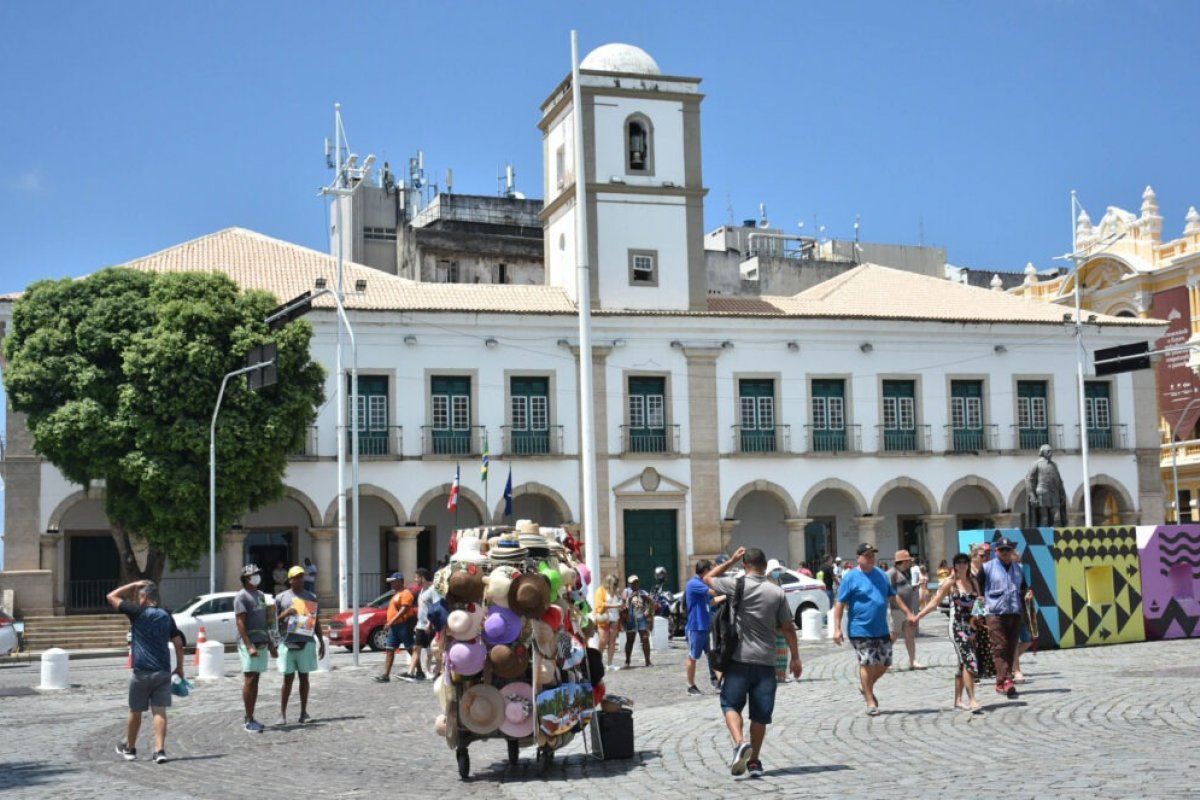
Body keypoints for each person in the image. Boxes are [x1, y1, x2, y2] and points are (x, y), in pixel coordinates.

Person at [704, 547, 801, 779]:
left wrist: (731, 560)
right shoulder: (776, 592)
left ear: (745, 565)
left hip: (738, 659)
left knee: (729, 704)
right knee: (760, 716)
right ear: (765, 565)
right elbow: (788, 627)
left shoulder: (736, 585)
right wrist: (795, 658)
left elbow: (707, 578)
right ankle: (755, 761)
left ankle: (740, 743)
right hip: (766, 662)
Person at [832, 543, 918, 716]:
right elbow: (840, 603)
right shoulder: (851, 577)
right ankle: (871, 702)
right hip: (860, 628)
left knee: (885, 663)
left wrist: (909, 613)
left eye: (873, 555)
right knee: (867, 662)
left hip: (880, 627)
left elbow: (893, 596)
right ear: (858, 558)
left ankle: (866, 686)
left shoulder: (880, 574)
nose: (871, 558)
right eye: (867, 555)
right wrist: (837, 629)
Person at [107, 580, 185, 764]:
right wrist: (180, 667)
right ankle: (159, 751)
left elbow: (111, 596)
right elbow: (178, 644)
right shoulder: (167, 616)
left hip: (142, 672)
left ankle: (131, 749)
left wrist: (134, 584)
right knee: (159, 711)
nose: (136, 599)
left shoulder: (137, 612)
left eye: (138, 596)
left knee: (135, 710)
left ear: (145, 597)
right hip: (163, 671)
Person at [914, 553, 984, 713]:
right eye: (958, 562)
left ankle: (957, 700)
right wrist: (919, 616)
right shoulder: (950, 584)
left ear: (968, 564)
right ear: (954, 565)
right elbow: (934, 602)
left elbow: (980, 601)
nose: (962, 565)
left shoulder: (973, 582)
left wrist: (977, 616)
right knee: (969, 660)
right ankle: (972, 699)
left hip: (971, 627)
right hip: (957, 627)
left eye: (964, 562)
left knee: (962, 662)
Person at [981, 537, 1033, 699]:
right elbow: (978, 588)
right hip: (995, 613)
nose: (1005, 553)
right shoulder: (987, 568)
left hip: (1014, 612)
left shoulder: (1018, 568)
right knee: (1000, 646)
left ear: (1012, 551)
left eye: (1007, 550)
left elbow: (1023, 587)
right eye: (1001, 550)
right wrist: (980, 606)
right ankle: (1007, 680)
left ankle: (1000, 682)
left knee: (1011, 647)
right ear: (996, 551)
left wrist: (1028, 592)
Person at [276, 565, 325, 724]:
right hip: (287, 641)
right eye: (296, 577)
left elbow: (316, 621)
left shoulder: (311, 597)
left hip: (306, 641)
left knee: (304, 678)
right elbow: (273, 621)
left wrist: (321, 641)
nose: (300, 579)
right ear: (290, 580)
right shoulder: (281, 598)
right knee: (287, 679)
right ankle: (282, 714)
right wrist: (286, 613)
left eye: (301, 576)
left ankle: (304, 712)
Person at [235, 564, 278, 733]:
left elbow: (268, 621)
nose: (257, 577)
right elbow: (240, 622)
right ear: (246, 578)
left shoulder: (261, 595)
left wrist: (271, 644)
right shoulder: (241, 597)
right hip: (249, 642)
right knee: (250, 678)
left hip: (262, 640)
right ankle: (248, 718)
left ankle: (252, 715)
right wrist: (249, 646)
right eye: (254, 575)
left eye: (258, 574)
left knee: (256, 679)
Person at [887, 550, 926, 670]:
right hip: (896, 610)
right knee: (894, 634)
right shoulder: (891, 573)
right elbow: (890, 592)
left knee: (910, 635)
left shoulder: (906, 572)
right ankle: (885, 660)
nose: (910, 562)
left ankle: (913, 661)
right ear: (902, 561)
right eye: (908, 560)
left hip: (908, 608)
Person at [374, 572, 417, 682]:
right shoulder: (395, 594)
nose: (391, 584)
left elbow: (404, 609)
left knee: (410, 649)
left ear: (399, 582)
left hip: (403, 625)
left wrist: (391, 621)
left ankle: (419, 671)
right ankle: (385, 675)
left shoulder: (406, 593)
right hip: (394, 627)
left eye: (393, 582)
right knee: (389, 650)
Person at [684, 559, 717, 694]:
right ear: (705, 571)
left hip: (705, 626)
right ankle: (691, 686)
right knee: (693, 657)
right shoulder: (694, 583)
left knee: (712, 655)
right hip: (696, 627)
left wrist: (728, 596)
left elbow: (712, 602)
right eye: (710, 570)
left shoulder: (701, 584)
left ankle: (716, 682)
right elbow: (713, 592)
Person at [400, 569, 434, 681]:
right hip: (420, 624)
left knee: (431, 651)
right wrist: (418, 623)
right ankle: (410, 673)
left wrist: (430, 623)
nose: (415, 580)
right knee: (416, 648)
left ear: (423, 578)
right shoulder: (422, 590)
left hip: (430, 625)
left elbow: (434, 608)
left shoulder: (432, 590)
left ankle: (429, 671)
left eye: (416, 577)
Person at [1026, 444, 1067, 526]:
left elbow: (1059, 481)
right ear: (1042, 452)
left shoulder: (1054, 465)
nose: (1050, 453)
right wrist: (1032, 495)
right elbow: (1029, 479)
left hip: (1054, 494)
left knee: (1057, 518)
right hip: (1042, 493)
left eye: (1051, 451)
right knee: (1044, 519)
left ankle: (1056, 537)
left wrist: (1062, 493)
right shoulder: (1036, 464)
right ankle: (1043, 537)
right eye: (1048, 451)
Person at [623, 575, 654, 668]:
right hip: (631, 618)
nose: (635, 584)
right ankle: (627, 660)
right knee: (630, 640)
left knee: (645, 638)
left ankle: (648, 661)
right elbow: (623, 604)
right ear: (629, 584)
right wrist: (629, 597)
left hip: (641, 617)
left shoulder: (643, 592)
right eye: (633, 583)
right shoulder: (626, 592)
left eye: (636, 582)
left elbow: (652, 602)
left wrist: (648, 608)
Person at [595, 574, 624, 670]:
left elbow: (620, 602)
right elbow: (600, 604)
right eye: (614, 583)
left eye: (617, 583)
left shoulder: (616, 591)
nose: (616, 585)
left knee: (612, 642)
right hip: (604, 618)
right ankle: (597, 662)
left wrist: (622, 605)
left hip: (615, 618)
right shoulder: (600, 591)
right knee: (603, 641)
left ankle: (610, 664)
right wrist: (616, 605)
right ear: (608, 582)